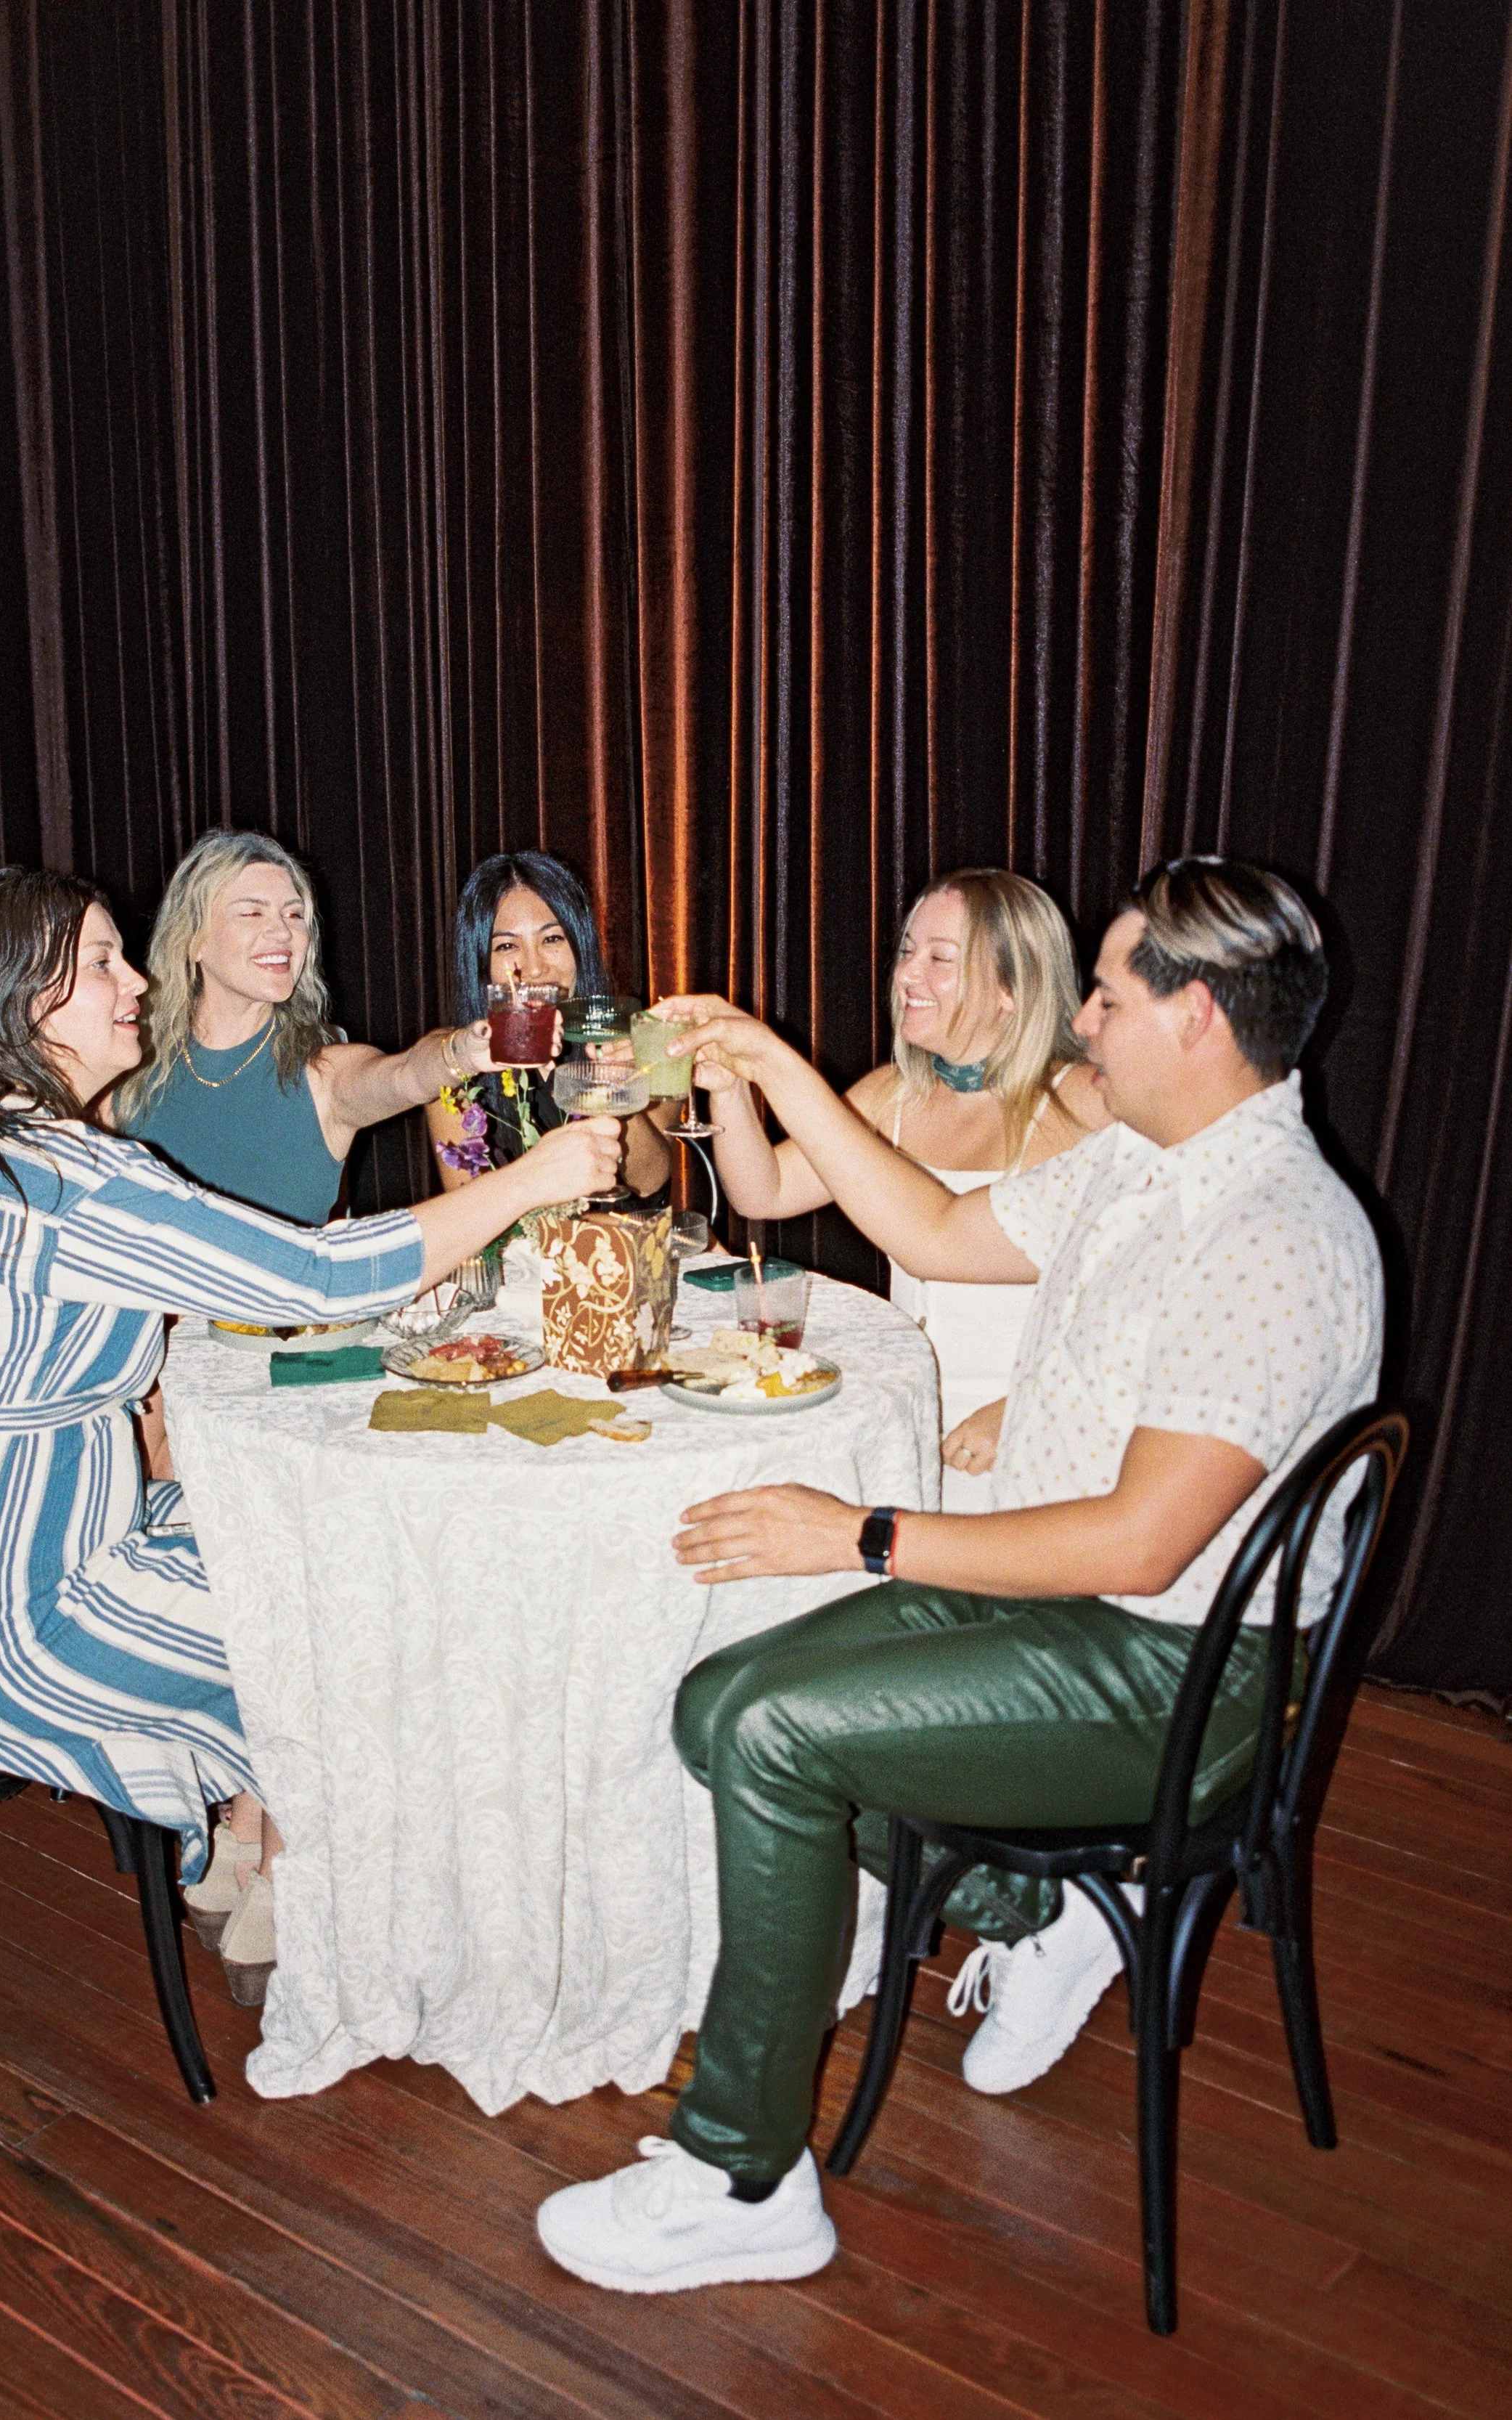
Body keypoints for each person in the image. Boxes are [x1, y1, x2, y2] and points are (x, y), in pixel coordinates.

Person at [535, 858, 1381, 2294]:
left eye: (1108, 995)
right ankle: (1026, 1910)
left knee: (767, 1729)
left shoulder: (1272, 1237)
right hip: (1075, 1605)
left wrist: (856, 1530)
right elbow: (929, 1229)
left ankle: (744, 2171)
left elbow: (1137, 1542)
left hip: (1168, 1668)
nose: (1086, 1020)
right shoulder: (1144, 1161)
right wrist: (760, 1058)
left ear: (1194, 1020)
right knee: (716, 1697)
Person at [0, 870, 618, 2003]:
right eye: (103, 963)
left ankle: (259, 1858)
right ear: (20, 1002)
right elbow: (316, 1274)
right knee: (360, 1632)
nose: (135, 982)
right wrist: (535, 1178)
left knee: (312, 1541)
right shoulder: (56, 1175)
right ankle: (332, 1927)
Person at [701, 869, 1108, 1507]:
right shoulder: (892, 1093)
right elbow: (765, 1191)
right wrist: (729, 1089)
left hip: (1031, 1432)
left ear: (1012, 987)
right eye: (908, 951)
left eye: (941, 958)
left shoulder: (1085, 1102)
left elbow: (1144, 1296)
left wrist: (1037, 1400)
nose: (908, 975)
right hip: (904, 1417)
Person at [116, 828, 499, 1223]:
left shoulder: (322, 1070)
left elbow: (404, 1076)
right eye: (252, 912)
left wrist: (461, 1053)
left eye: (294, 914)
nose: (282, 931)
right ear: (193, 939)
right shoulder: (128, 1061)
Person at [425, 852, 679, 1199]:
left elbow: (648, 1182)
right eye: (507, 946)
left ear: (580, 946)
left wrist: (611, 1083)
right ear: (483, 967)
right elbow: (469, 1207)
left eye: (552, 939)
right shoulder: (456, 1067)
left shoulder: (636, 1039)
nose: (533, 968)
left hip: (624, 1248)